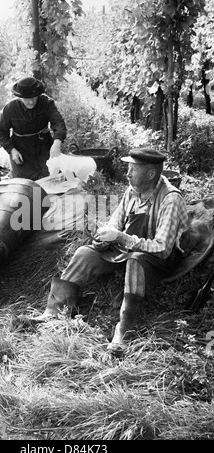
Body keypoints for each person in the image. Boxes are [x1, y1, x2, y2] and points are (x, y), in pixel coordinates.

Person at [27, 147, 189, 355]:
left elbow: (162, 248)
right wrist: (105, 238)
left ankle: (123, 331)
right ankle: (53, 312)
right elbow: (115, 222)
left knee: (136, 262)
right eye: (128, 168)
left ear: (150, 174)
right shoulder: (132, 191)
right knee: (84, 253)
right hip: (129, 248)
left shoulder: (170, 199)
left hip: (159, 258)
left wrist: (122, 238)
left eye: (133, 169)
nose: (128, 174)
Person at [0, 76, 67, 181]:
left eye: (34, 97)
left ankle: (43, 197)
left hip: (43, 147)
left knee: (49, 179)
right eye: (27, 99)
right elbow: (0, 131)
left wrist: (57, 143)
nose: (31, 102)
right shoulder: (10, 108)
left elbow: (58, 123)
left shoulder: (46, 103)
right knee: (23, 184)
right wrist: (12, 150)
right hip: (21, 150)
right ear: (19, 97)